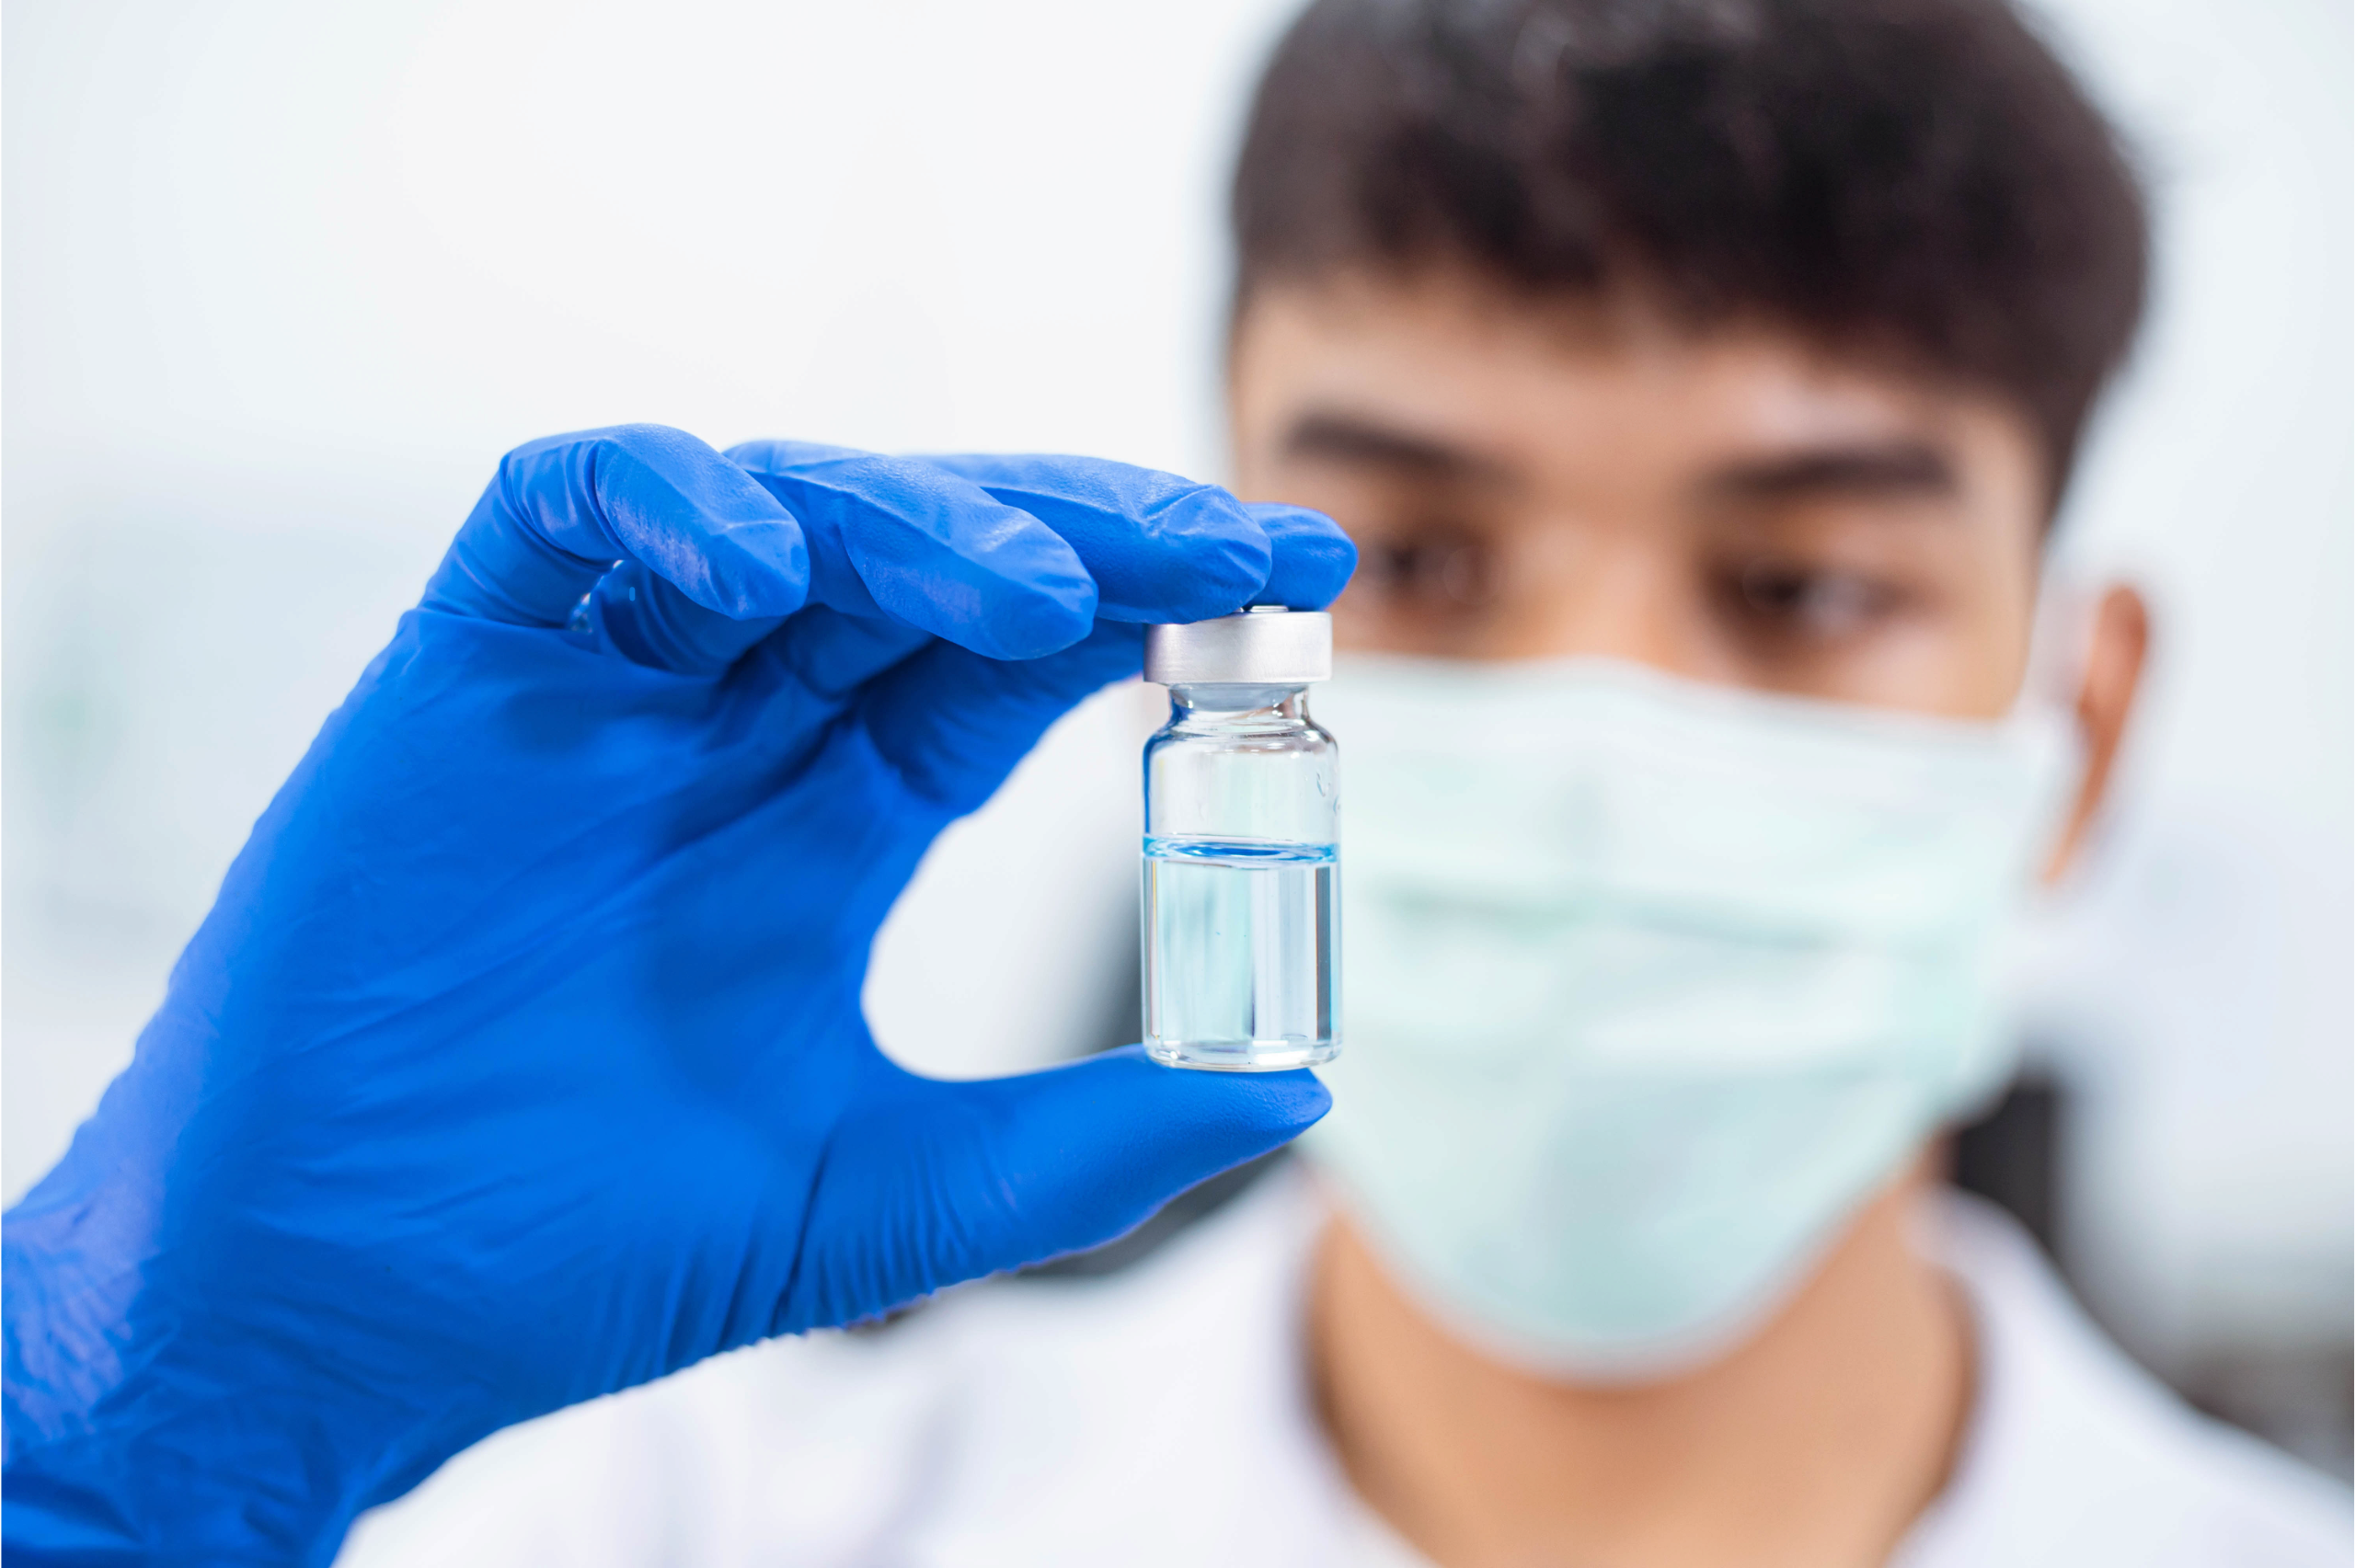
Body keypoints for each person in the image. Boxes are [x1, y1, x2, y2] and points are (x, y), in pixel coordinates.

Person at [3, 1, 2346, 1565]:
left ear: (2079, 729)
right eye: (1413, 555)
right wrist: (150, 1442)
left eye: (1803, 586)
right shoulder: (716, 1522)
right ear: (1190, 637)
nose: (1597, 732)